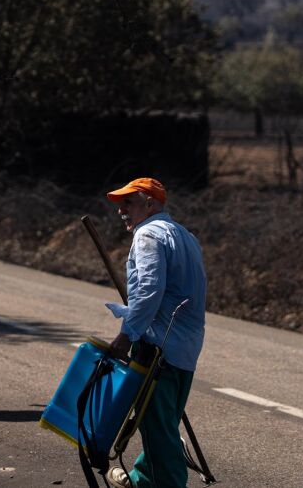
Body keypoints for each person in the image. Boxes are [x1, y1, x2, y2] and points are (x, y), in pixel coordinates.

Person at [103, 177, 207, 488]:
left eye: (128, 202)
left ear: (150, 204)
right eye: (120, 204)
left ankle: (167, 482)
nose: (121, 210)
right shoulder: (185, 236)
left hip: (159, 346)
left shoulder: (148, 234)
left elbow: (148, 291)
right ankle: (144, 478)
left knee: (158, 427)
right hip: (186, 347)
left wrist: (126, 336)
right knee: (163, 421)